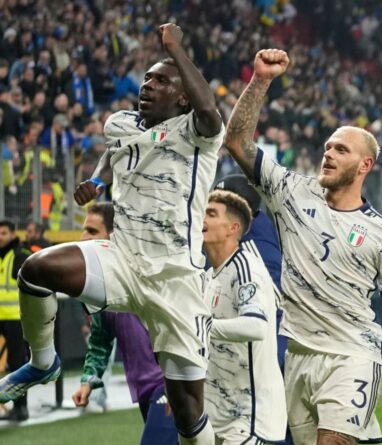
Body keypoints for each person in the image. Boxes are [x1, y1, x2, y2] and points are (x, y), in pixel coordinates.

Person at [0, 23, 224, 445]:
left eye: (162, 80)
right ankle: (44, 361)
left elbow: (211, 112)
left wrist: (176, 49)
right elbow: (116, 152)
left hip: (177, 280)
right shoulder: (119, 123)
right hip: (122, 259)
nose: (149, 85)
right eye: (146, 78)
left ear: (182, 96)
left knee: (188, 415)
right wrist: (98, 181)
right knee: (34, 270)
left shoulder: (197, 134)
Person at [223, 49, 382, 444]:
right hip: (298, 355)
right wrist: (261, 80)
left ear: (365, 166)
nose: (328, 153)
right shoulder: (292, 192)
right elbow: (236, 141)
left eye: (341, 150)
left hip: (354, 354)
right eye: (328, 147)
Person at [71, 202, 178, 445]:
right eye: (84, 229)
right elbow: (100, 340)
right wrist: (88, 381)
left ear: (114, 235)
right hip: (143, 388)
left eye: (92, 231)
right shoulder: (99, 288)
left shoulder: (147, 271)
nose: (83, 237)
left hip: (171, 382)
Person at [202, 190, 286, 443]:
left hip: (250, 417)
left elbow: (256, 326)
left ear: (233, 228)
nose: (201, 218)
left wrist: (203, 326)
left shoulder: (246, 267)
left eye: (211, 213)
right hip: (216, 415)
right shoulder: (208, 276)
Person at [0, 220, 31, 421]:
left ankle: (21, 408)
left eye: (3, 233)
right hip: (2, 317)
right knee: (12, 364)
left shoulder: (20, 255)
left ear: (12, 234)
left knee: (17, 364)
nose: (0, 236)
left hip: (15, 319)